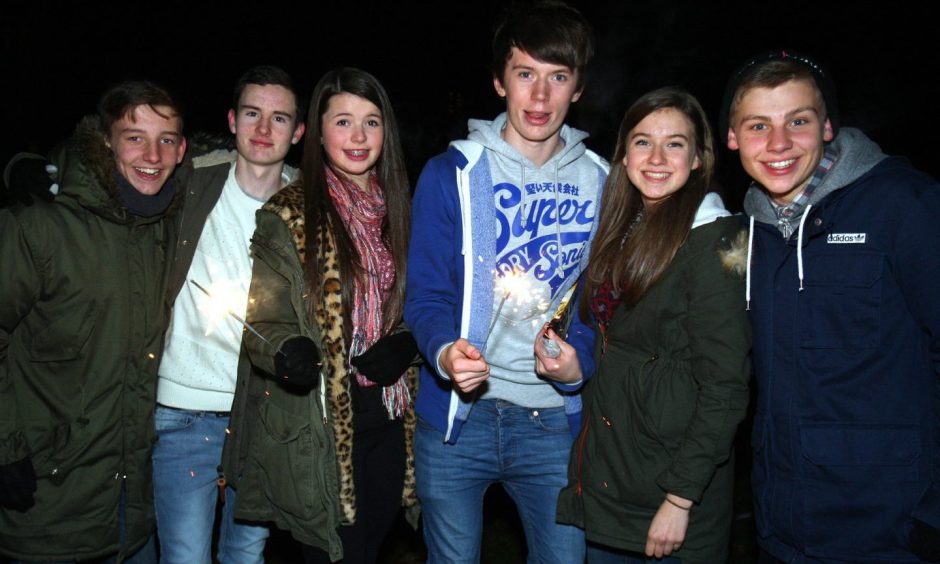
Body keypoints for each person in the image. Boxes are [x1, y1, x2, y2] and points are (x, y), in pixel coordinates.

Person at [404, 1, 606, 561]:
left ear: (578, 88)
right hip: (458, 423)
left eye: (557, 78)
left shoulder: (606, 183)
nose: (540, 98)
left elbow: (600, 306)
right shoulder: (452, 173)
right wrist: (445, 352)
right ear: (499, 82)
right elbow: (425, 293)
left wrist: (578, 363)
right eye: (525, 75)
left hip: (552, 425)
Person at [723, 50, 940, 563]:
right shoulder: (750, 234)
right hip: (783, 526)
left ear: (827, 127)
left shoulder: (904, 206)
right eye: (758, 125)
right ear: (733, 138)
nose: (778, 144)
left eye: (797, 120)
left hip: (893, 529)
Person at [227, 67, 418, 564]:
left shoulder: (401, 209)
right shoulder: (288, 213)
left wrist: (409, 340)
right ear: (318, 130)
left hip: (392, 419)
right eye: (343, 122)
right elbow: (263, 320)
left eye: (371, 122)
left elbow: (426, 299)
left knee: (370, 549)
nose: (358, 137)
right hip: (323, 426)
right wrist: (288, 349)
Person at [555, 87, 751, 564]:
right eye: (643, 142)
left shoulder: (716, 241)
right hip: (614, 476)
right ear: (623, 155)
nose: (657, 158)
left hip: (670, 488)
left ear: (699, 158)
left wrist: (681, 499)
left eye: (675, 144)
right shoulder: (623, 226)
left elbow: (725, 386)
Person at [0, 81, 185, 562]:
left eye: (166, 139)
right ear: (104, 140)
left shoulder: (167, 226)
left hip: (135, 513)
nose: (153, 153)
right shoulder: (40, 224)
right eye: (134, 136)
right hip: (50, 505)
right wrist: (4, 448)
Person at [152, 65, 304, 563]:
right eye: (253, 114)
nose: (264, 130)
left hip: (264, 412)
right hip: (183, 410)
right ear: (233, 120)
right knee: (184, 557)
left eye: (279, 118)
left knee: (245, 556)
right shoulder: (188, 187)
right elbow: (124, 171)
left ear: (298, 132)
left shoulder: (309, 209)